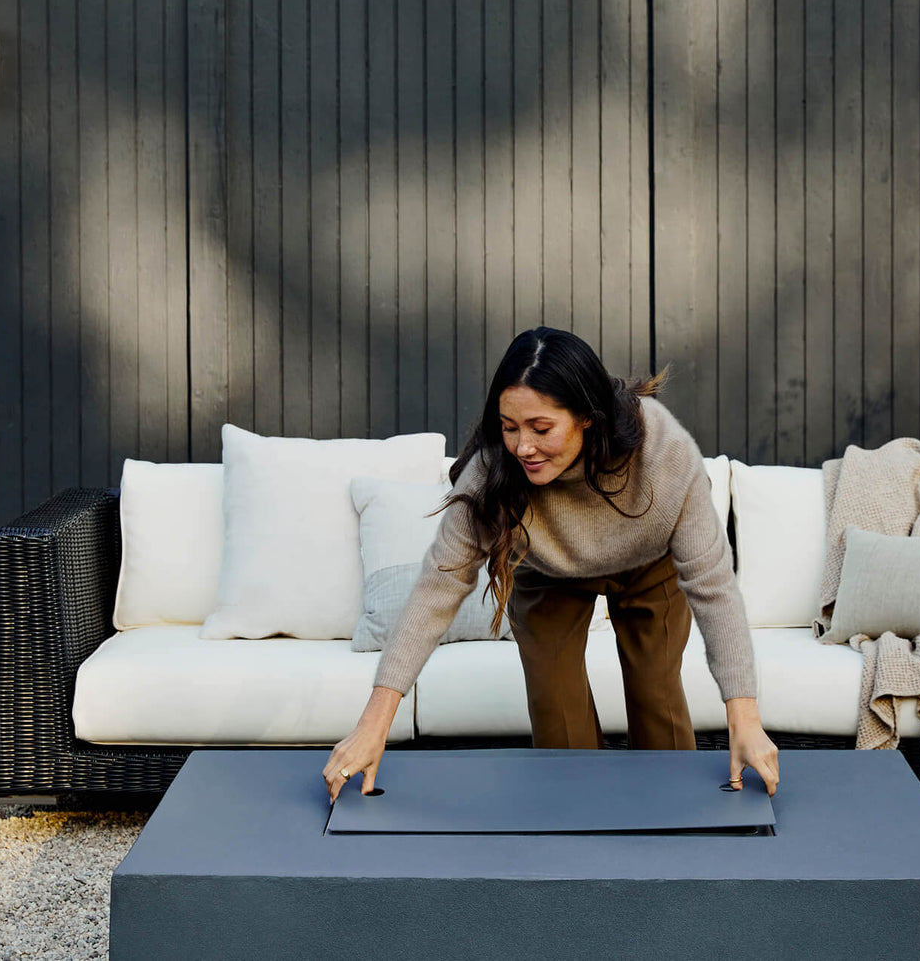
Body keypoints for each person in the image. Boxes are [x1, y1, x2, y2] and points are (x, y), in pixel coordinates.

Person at [324, 326, 780, 801]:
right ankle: (577, 828)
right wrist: (373, 726)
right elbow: (436, 590)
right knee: (554, 703)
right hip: (547, 570)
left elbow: (713, 588)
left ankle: (667, 829)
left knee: (655, 691)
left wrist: (745, 720)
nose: (523, 447)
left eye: (541, 429)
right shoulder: (492, 473)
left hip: (650, 563)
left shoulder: (662, 456)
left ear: (586, 417)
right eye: (509, 426)